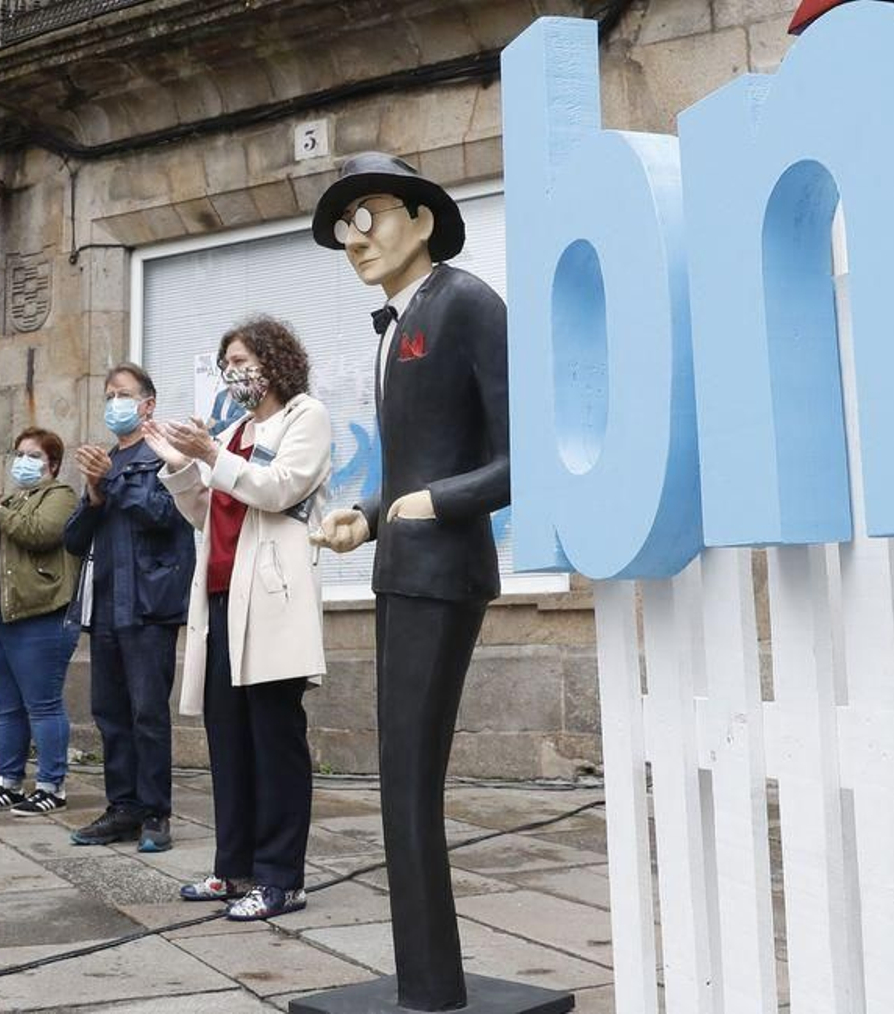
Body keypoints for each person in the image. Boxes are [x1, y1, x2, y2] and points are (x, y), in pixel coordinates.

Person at [305, 153, 513, 1012]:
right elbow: (420, 463)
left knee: (410, 779)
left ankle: (432, 982)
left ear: (423, 219)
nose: (357, 240)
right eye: (344, 229)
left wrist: (436, 502)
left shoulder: (466, 303)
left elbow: (517, 458)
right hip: (402, 567)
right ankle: (424, 975)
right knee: (397, 778)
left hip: (445, 574)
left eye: (372, 216)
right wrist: (370, 510)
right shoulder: (396, 324)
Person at [151, 316, 331, 921]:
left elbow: (281, 489)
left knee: (275, 739)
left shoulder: (305, 417)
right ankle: (235, 869)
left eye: (244, 359)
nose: (234, 372)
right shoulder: (230, 432)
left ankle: (282, 878)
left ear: (275, 362)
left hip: (273, 600)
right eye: (228, 362)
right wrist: (179, 465)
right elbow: (205, 514)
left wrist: (211, 455)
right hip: (223, 597)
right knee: (228, 740)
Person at [63, 363, 195, 851]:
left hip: (148, 606)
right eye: (108, 395)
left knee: (147, 715)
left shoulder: (165, 454)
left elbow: (163, 513)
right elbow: (74, 538)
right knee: (110, 714)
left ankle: (156, 813)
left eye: (123, 394)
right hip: (105, 609)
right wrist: (95, 492)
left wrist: (112, 483)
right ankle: (123, 807)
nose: (113, 403)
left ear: (148, 404)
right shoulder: (104, 463)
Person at [0, 428, 80, 817]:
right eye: (19, 454)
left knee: (42, 705)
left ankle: (51, 786)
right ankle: (7, 784)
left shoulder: (60, 496)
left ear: (53, 464)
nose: (22, 461)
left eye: (33, 456)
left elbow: (41, 533)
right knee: (6, 707)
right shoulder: (6, 501)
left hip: (38, 615)